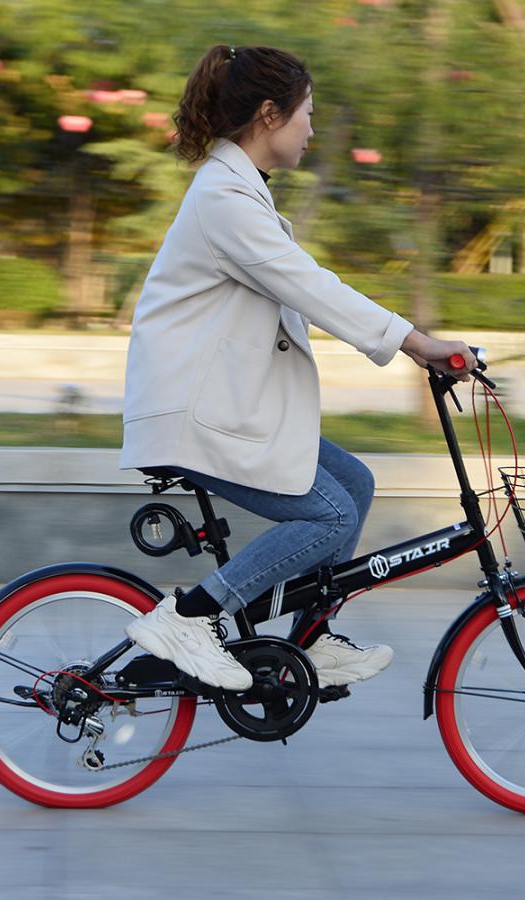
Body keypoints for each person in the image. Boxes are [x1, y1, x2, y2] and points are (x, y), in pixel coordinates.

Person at [120, 44, 475, 692]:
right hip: (196, 414)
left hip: (223, 408)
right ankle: (192, 617)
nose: (311, 127)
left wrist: (410, 340)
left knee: (355, 484)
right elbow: (308, 285)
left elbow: (298, 288)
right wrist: (415, 342)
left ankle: (311, 637)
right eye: (306, 112)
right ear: (267, 115)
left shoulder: (239, 192)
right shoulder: (223, 199)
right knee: (330, 516)